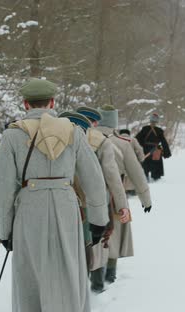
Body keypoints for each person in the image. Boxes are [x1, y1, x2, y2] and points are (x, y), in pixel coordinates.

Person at [0, 78, 109, 312]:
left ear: (26, 104)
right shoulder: (74, 132)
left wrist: (5, 231)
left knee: (30, 272)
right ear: (53, 102)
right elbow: (94, 180)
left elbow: (4, 189)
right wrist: (99, 221)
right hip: (66, 206)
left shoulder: (12, 136)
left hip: (29, 207)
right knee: (67, 269)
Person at [60, 111, 131, 293]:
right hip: (95, 201)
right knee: (97, 244)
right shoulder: (101, 141)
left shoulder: (59, 136)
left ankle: (74, 287)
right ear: (92, 122)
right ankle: (97, 286)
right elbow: (112, 177)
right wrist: (122, 205)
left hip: (64, 202)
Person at [93, 105, 153, 285]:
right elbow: (137, 174)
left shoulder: (87, 137)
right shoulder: (122, 143)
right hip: (115, 195)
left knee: (94, 234)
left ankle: (95, 276)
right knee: (114, 234)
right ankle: (110, 273)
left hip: (88, 195)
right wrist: (146, 199)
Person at [136, 113, 171, 181]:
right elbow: (164, 142)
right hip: (156, 150)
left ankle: (145, 177)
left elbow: (137, 139)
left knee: (145, 163)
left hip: (145, 149)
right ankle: (156, 177)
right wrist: (167, 153)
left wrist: (138, 148)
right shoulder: (159, 131)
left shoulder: (145, 129)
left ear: (150, 120)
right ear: (157, 121)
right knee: (156, 163)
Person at [119, 129, 144, 196]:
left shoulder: (116, 139)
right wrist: (141, 159)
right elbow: (139, 150)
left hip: (119, 160)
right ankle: (131, 190)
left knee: (121, 175)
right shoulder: (133, 140)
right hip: (131, 160)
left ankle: (122, 189)